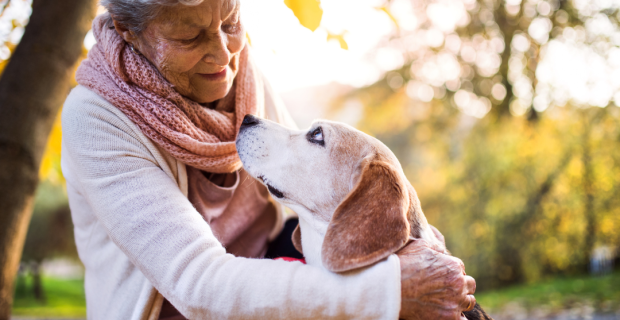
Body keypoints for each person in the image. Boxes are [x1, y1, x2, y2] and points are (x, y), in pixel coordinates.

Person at [60, 0, 477, 319]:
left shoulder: (241, 71)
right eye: (189, 37)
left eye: (230, 22)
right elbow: (197, 284)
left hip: (279, 264)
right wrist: (390, 290)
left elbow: (309, 187)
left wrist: (418, 251)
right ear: (127, 31)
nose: (224, 55)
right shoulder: (95, 119)